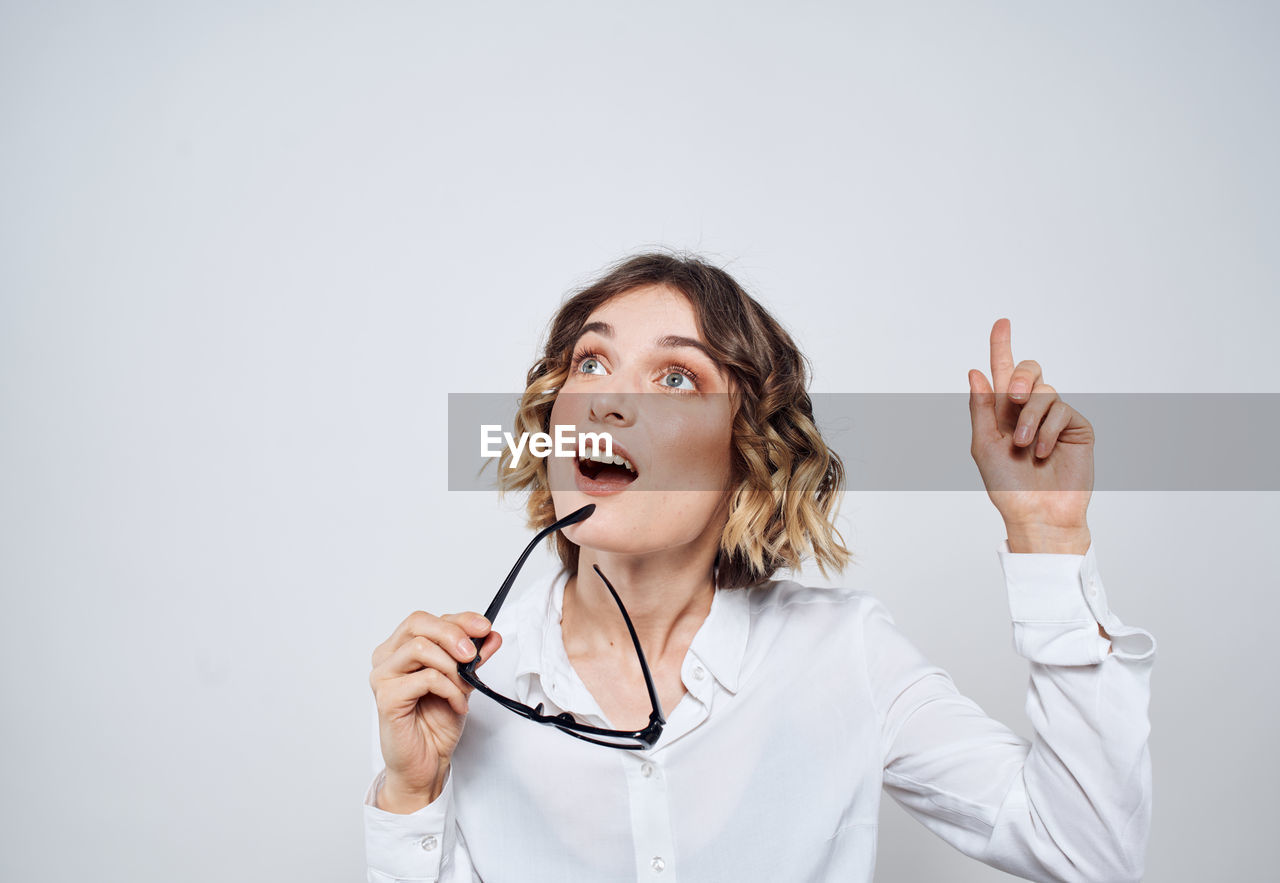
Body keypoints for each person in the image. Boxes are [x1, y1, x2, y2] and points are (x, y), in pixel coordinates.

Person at [364, 252, 1155, 882]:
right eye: (591, 362)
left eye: (676, 377)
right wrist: (410, 798)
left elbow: (1087, 850)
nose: (606, 401)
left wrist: (1048, 536)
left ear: (748, 456)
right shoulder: (454, 691)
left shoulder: (845, 654)